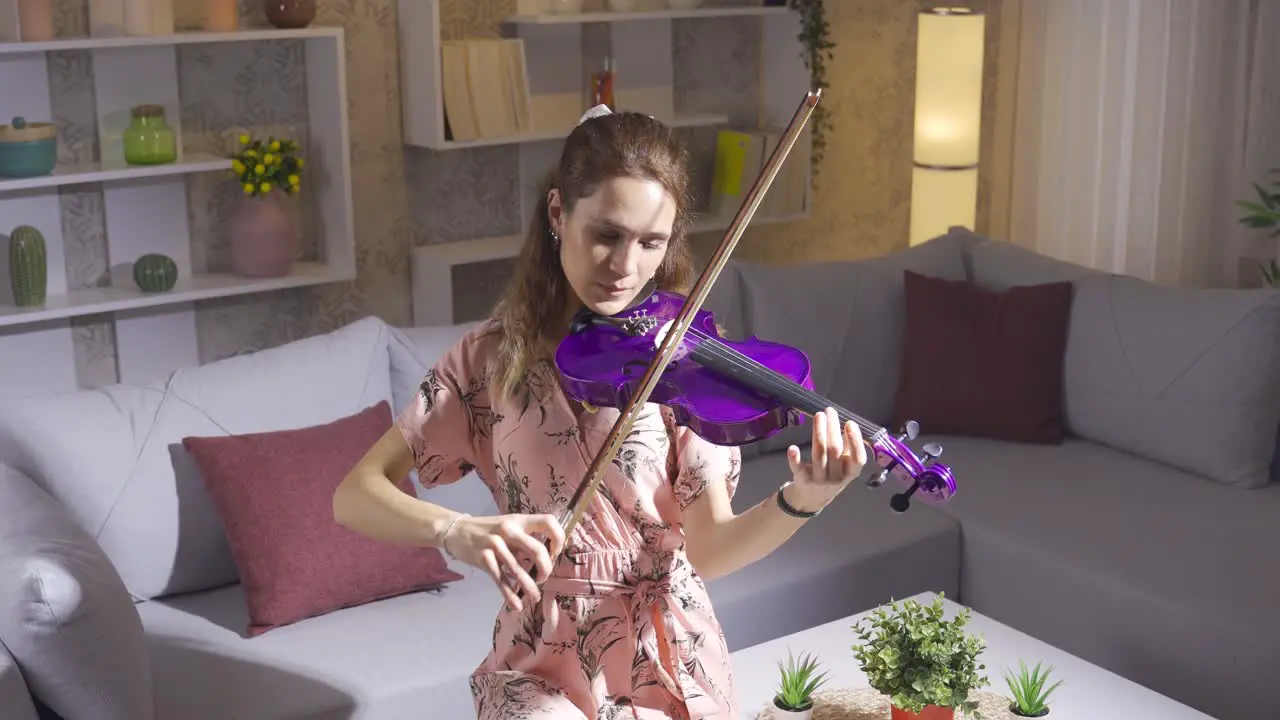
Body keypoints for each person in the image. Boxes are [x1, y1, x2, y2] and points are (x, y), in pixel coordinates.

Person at [333, 105, 868, 720]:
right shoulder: (486, 360)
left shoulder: (682, 361)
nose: (626, 267)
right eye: (607, 235)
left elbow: (712, 550)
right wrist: (455, 531)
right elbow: (354, 494)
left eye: (651, 243)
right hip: (539, 660)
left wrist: (803, 499)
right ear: (559, 213)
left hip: (668, 655)